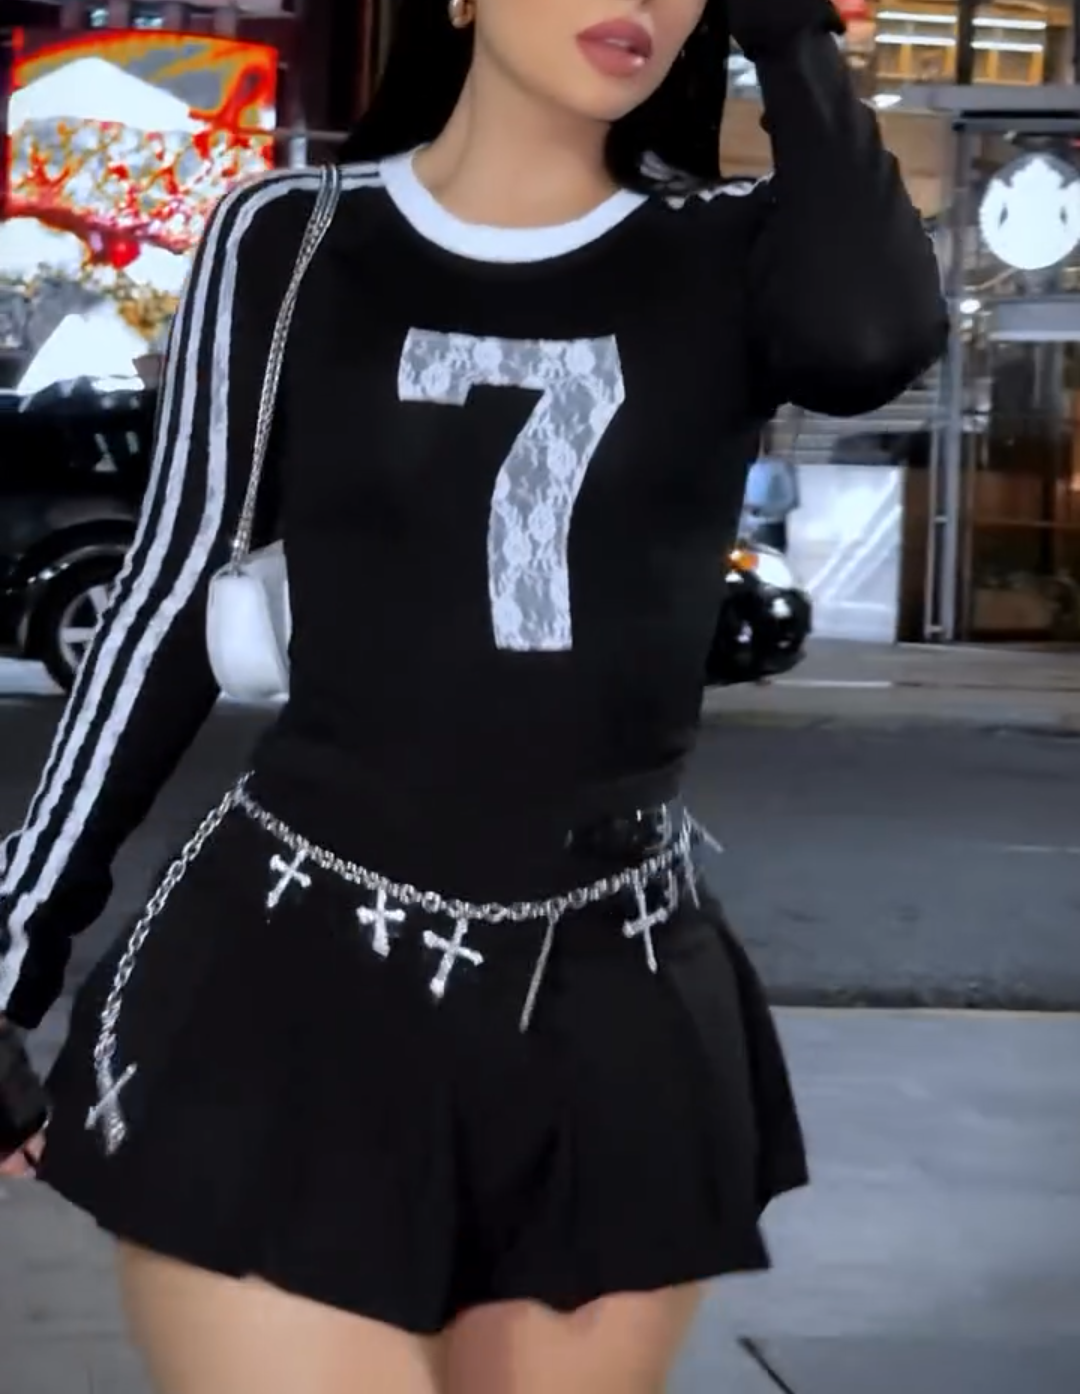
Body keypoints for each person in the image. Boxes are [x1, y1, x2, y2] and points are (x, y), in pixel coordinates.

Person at [0, 0, 946, 1389]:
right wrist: (11, 953)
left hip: (616, 1008)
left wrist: (795, 38)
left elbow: (872, 339)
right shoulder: (292, 235)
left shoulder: (728, 246)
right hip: (292, 986)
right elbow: (169, 599)